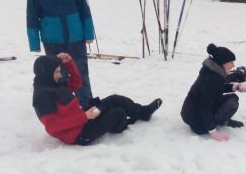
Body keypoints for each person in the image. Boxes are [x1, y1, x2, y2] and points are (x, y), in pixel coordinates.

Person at [32, 53, 162, 146]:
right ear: (47, 73)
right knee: (118, 113)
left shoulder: (54, 84)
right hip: (79, 134)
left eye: (60, 71)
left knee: (115, 99)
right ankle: (118, 127)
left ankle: (144, 112)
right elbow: (52, 127)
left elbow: (76, 83)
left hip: (83, 119)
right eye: (57, 72)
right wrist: (85, 117)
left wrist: (69, 63)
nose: (60, 75)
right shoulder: (42, 97)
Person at [27, 0, 95, 108]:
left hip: (76, 38)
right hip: (52, 41)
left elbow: (84, 10)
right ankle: (66, 104)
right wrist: (34, 42)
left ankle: (86, 103)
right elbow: (31, 17)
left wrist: (88, 33)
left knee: (81, 72)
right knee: (59, 74)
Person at [181, 43, 246, 141]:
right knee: (232, 102)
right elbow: (204, 106)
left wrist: (235, 87)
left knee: (233, 97)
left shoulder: (212, 72)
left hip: (192, 113)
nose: (233, 65)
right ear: (222, 63)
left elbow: (216, 89)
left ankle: (220, 120)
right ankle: (219, 122)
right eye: (231, 62)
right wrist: (213, 132)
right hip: (198, 122)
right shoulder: (213, 78)